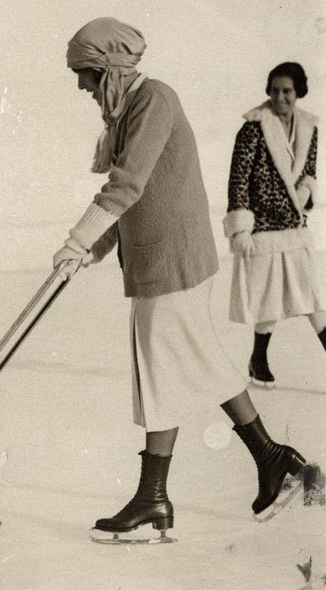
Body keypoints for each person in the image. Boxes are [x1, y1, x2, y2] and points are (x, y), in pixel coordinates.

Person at [52, 18, 310, 541]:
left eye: (85, 73)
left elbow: (126, 185)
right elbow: (135, 197)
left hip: (174, 261)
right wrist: (93, 250)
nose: (81, 85)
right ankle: (240, 468)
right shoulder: (131, 109)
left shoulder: (154, 101)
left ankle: (242, 467)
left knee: (172, 367)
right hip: (160, 260)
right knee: (173, 368)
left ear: (109, 68)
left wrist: (78, 241)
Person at [224, 62, 325, 388]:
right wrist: (241, 228)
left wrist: (306, 190)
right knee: (269, 299)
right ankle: (258, 360)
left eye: (287, 91)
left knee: (313, 295)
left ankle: (258, 360)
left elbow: (309, 171)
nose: (280, 97)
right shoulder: (253, 128)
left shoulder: (309, 126)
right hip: (263, 227)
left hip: (294, 225)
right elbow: (238, 180)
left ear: (299, 92)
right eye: (275, 90)